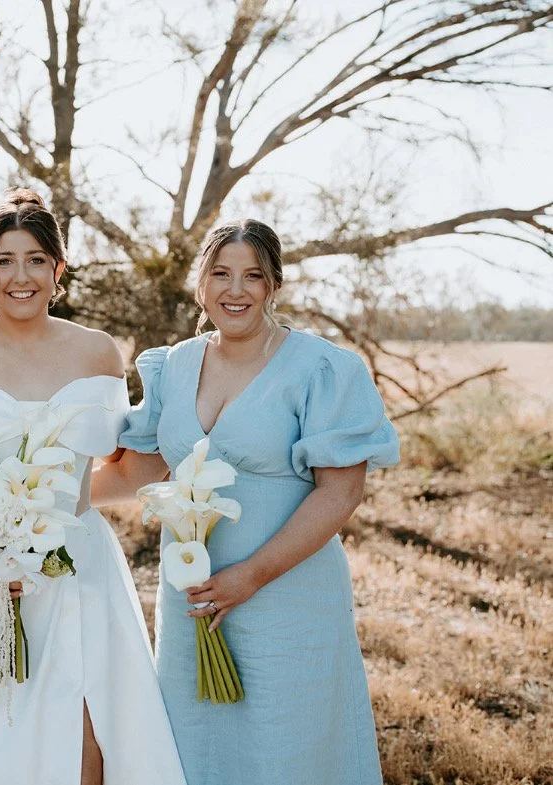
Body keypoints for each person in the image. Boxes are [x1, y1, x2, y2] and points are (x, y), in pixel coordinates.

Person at [93, 218, 400, 785]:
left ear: (274, 286)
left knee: (285, 745)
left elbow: (342, 491)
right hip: (195, 595)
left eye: (253, 276)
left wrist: (252, 576)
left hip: (287, 595)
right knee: (195, 743)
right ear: (200, 283)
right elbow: (145, 466)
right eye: (222, 274)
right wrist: (44, 500)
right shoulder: (175, 365)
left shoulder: (320, 369)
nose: (236, 290)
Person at [0, 189, 187, 785]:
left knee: (91, 736)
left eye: (35, 259)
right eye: (4, 262)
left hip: (78, 567)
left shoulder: (98, 353)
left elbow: (118, 465)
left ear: (58, 270)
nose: (20, 276)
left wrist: (177, 452)